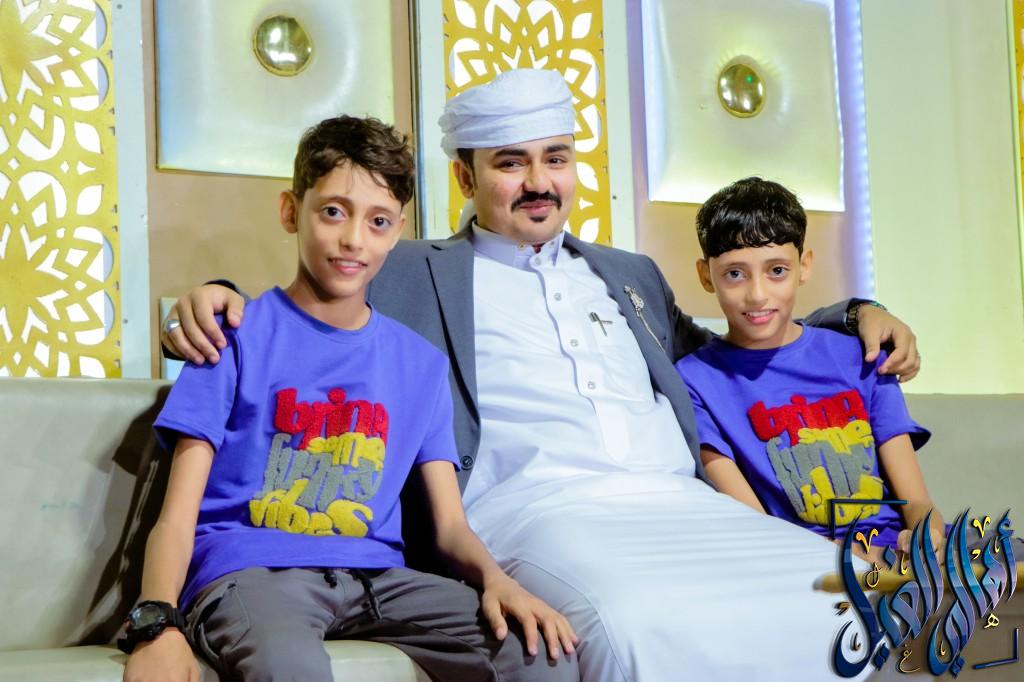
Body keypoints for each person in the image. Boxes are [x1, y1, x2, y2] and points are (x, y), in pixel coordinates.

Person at [161, 70, 922, 681]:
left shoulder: (629, 273)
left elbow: (729, 341)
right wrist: (214, 295)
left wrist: (856, 313)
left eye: (555, 158)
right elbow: (315, 293)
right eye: (510, 162)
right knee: (628, 625)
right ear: (464, 179)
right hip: (537, 510)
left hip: (684, 503)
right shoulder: (412, 266)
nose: (538, 181)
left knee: (862, 596)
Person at [122, 115, 578, 682]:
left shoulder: (421, 365)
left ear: (398, 230)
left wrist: (496, 579)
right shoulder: (230, 336)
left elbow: (450, 527)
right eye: (333, 212)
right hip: (251, 572)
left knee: (540, 656)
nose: (354, 240)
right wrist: (156, 624)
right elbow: (178, 513)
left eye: (378, 221)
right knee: (290, 666)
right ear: (291, 211)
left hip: (380, 579)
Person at [675, 177, 945, 565]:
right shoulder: (695, 380)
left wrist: (927, 537)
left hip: (901, 556)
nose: (757, 294)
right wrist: (833, 556)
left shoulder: (862, 356)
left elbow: (918, 502)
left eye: (777, 270)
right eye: (735, 274)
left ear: (804, 267)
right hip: (801, 562)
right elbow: (753, 523)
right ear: (706, 275)